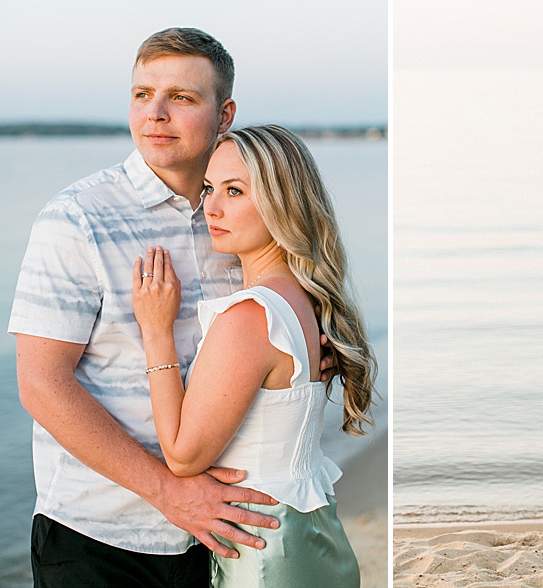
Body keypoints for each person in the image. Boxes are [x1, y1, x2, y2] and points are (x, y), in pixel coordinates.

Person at [10, 28, 282, 586]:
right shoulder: (75, 219)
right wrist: (170, 493)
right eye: (142, 95)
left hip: (223, 531)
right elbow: (41, 383)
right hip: (98, 538)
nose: (156, 113)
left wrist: (306, 351)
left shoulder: (240, 215)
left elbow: (269, 326)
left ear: (224, 112)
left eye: (181, 97)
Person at [132, 124, 374, 586]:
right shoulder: (304, 298)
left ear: (282, 203)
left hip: (265, 551)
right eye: (209, 188)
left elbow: (184, 458)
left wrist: (156, 330)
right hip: (311, 532)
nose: (212, 208)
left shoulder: (249, 316)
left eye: (235, 191)